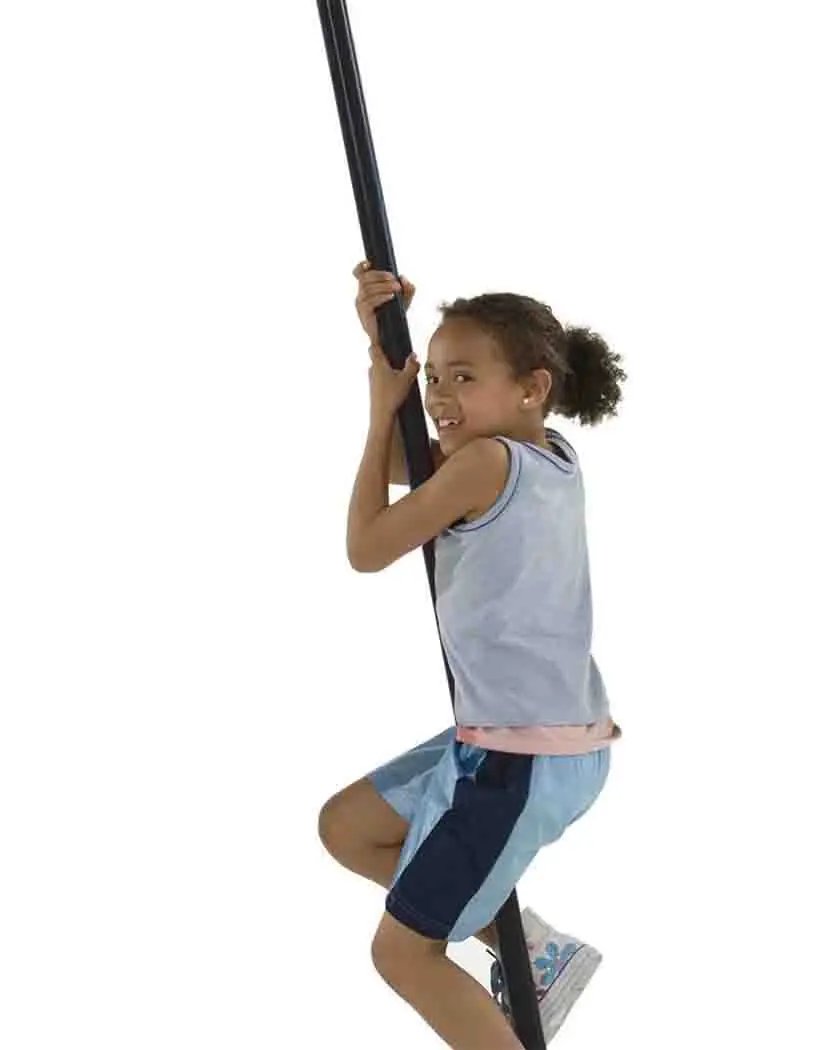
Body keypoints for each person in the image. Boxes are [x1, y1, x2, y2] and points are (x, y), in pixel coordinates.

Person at [318, 260, 627, 1048]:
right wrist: (381, 356)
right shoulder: (547, 452)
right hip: (518, 741)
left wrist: (380, 408)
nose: (439, 395)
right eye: (433, 377)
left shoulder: (486, 465)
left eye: (463, 377)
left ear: (531, 388)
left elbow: (366, 547)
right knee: (349, 827)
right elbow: (404, 464)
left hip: (520, 758)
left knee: (403, 954)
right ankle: (536, 952)